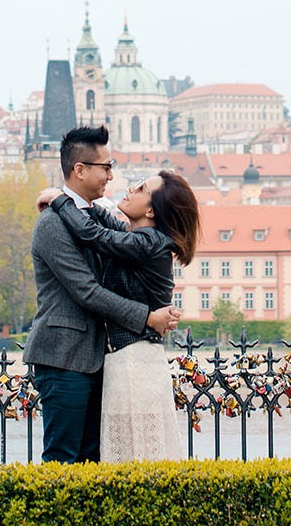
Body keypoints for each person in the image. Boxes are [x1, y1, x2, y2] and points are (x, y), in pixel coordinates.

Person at [27, 125, 180, 463]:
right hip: (64, 355)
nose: (112, 175)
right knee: (64, 458)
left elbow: (110, 235)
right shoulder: (53, 223)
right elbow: (87, 291)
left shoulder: (92, 218)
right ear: (80, 170)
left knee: (95, 458)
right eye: (106, 166)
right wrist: (147, 317)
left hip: (99, 356)